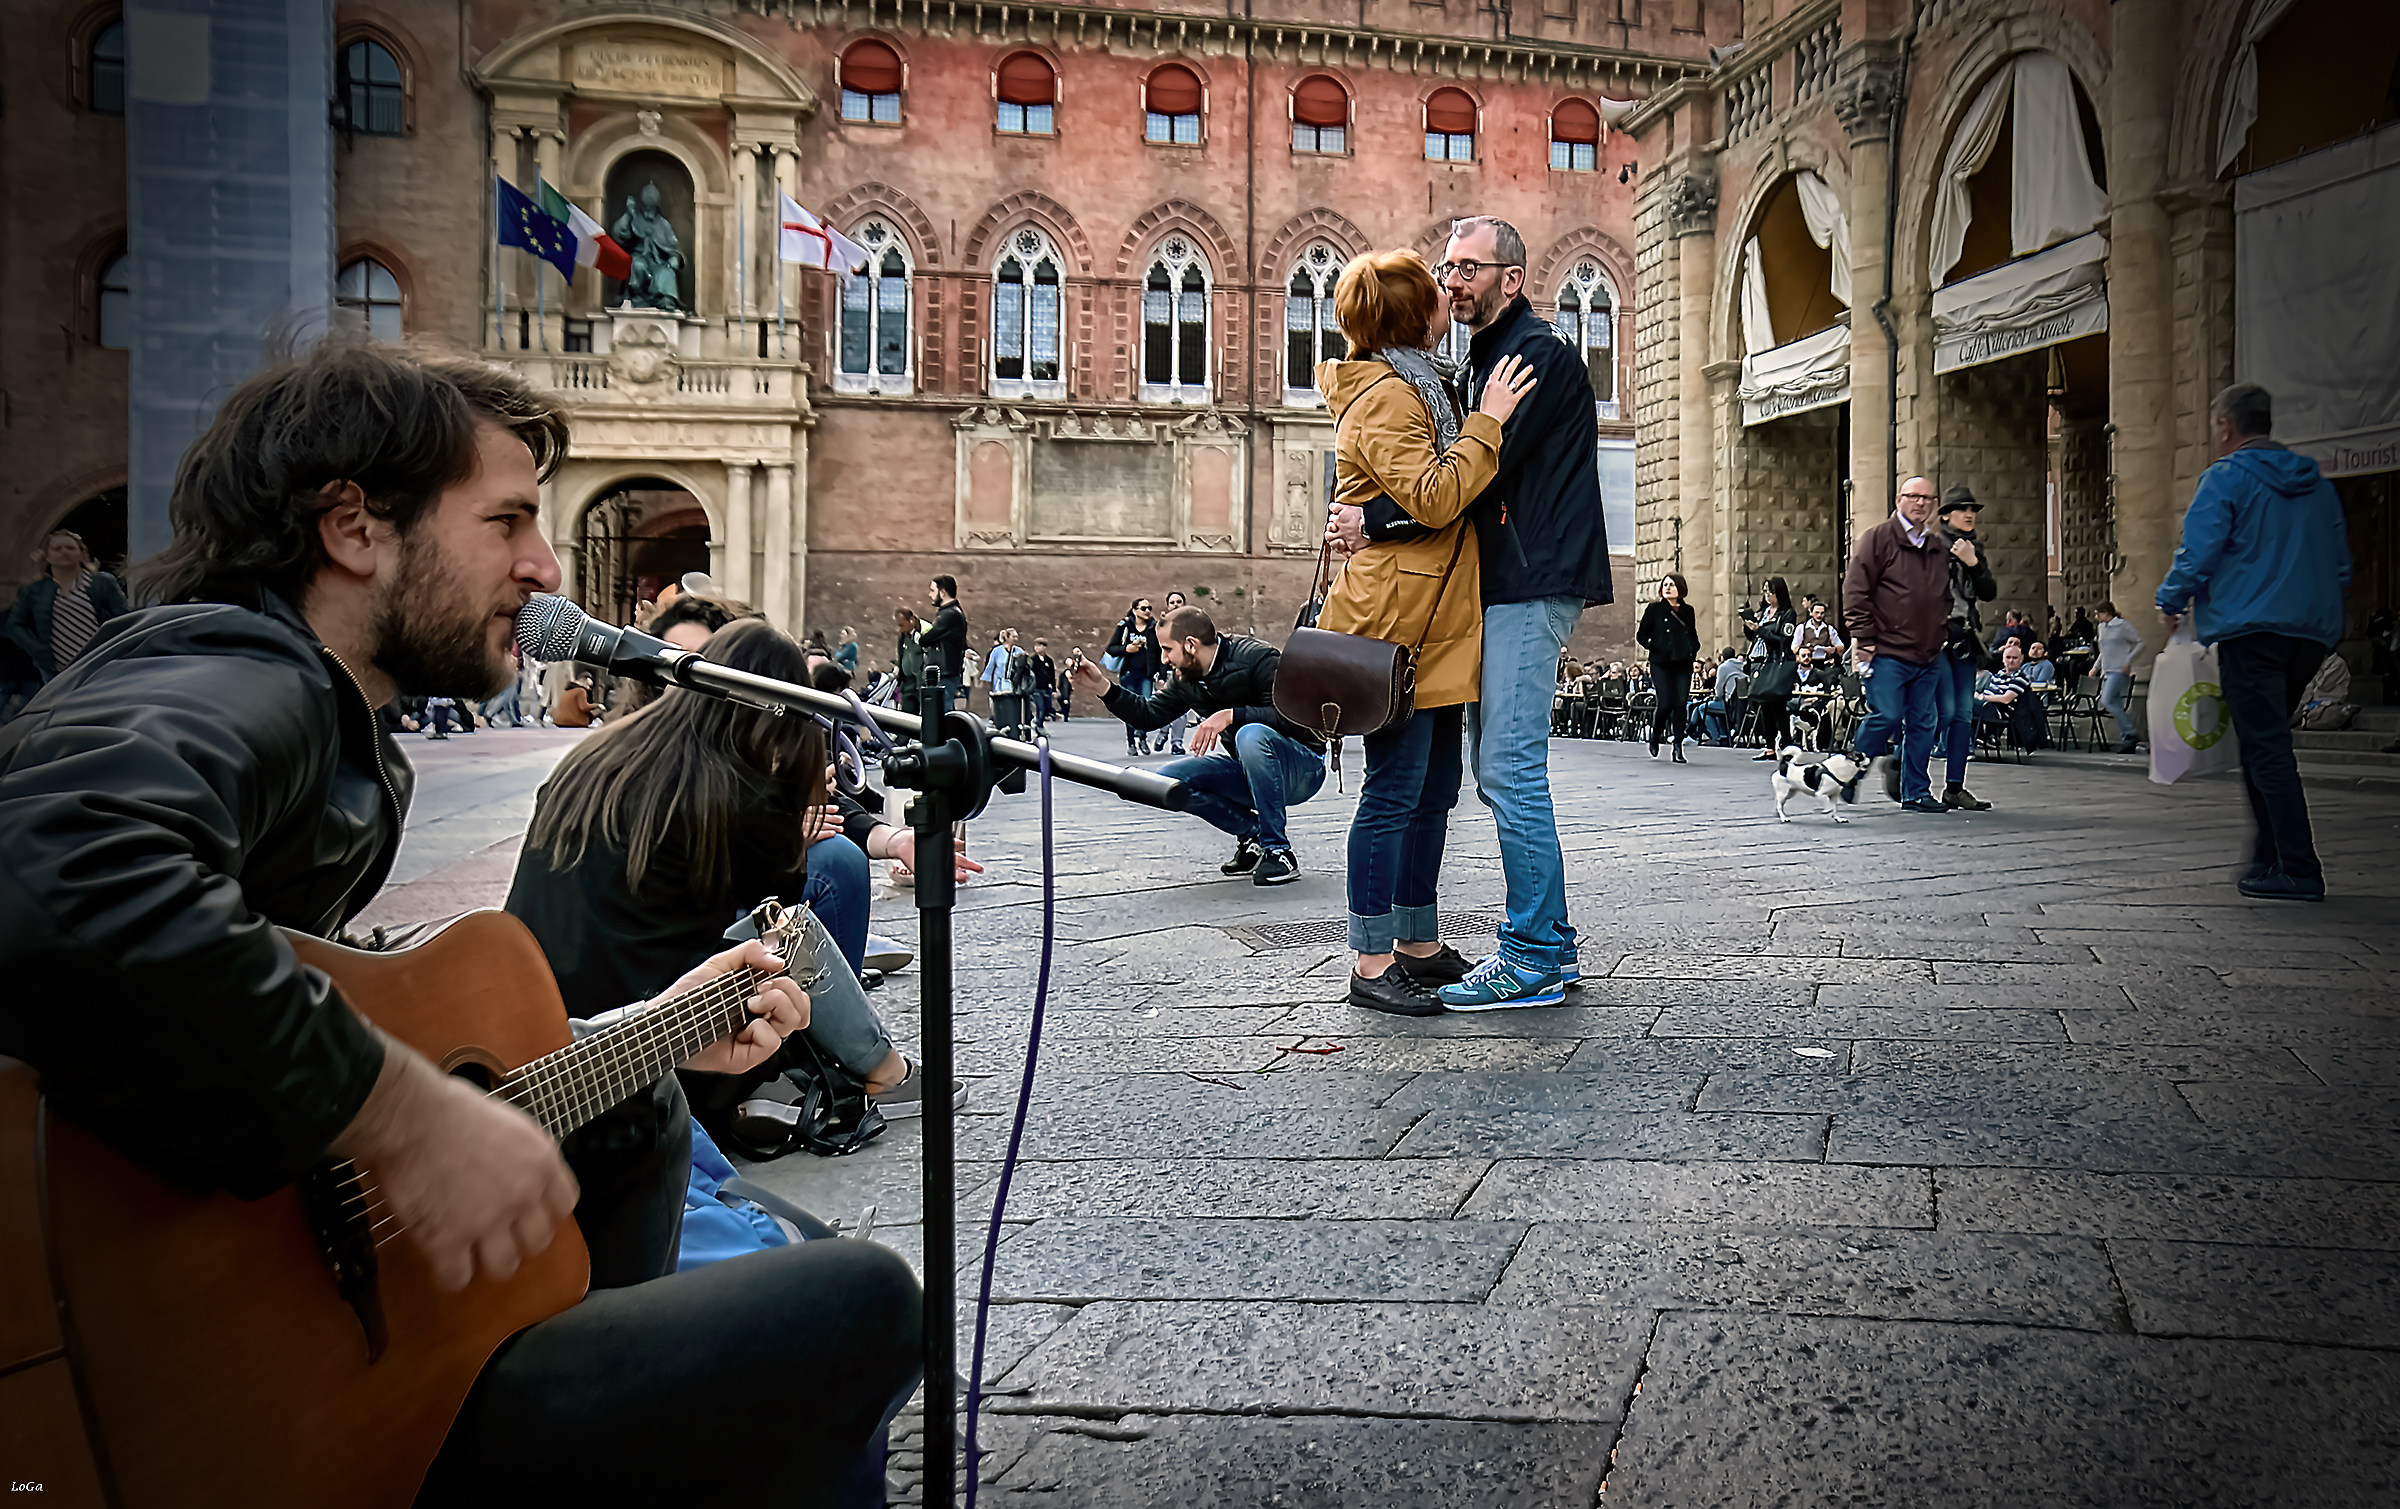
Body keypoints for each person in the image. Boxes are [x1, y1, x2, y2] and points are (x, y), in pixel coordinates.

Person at [0, 340, 920, 1505]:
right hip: (147, 1382)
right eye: (505, 522)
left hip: (247, 1333)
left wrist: (648, 1025)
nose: (545, 566)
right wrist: (404, 1118)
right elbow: (56, 870)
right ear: (355, 528)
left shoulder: (303, 708)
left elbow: (237, 1022)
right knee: (857, 1301)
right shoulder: (247, 672)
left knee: (639, 1116)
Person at [506, 619, 947, 1127]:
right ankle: (880, 1070)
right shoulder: (732, 789)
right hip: (651, 1044)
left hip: (547, 1022)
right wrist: (794, 806)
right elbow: (779, 900)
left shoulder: (606, 752)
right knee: (791, 930)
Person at [1330, 214, 1608, 1010]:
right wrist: (1373, 514)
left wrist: (1370, 519)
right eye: (1444, 269)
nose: (1452, 281)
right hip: (1447, 602)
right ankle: (1428, 950)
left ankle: (1533, 951)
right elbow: (1440, 479)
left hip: (1519, 583)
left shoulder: (1523, 358)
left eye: (1466, 268)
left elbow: (1464, 482)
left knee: (1495, 773)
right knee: (1435, 781)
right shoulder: (1451, 370)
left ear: (1510, 279)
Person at [1316, 246, 1533, 1015]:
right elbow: (1436, 496)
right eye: (1434, 288)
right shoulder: (1386, 396)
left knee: (1435, 790)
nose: (1448, 294)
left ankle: (1415, 941)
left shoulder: (1421, 383)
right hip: (1397, 622)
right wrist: (1488, 423)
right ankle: (1372, 962)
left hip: (1433, 616)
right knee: (1394, 791)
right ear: (1411, 315)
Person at [2156, 382, 2352, 901]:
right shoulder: (2317, 484)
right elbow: (2341, 565)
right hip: (2309, 633)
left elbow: (2199, 550)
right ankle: (2270, 857)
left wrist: (2171, 599)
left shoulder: (2226, 477)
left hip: (2251, 630)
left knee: (2266, 747)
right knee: (2264, 742)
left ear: (2225, 426)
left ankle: (2299, 867)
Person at [1070, 605, 1327, 886]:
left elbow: (1297, 717)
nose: (1164, 659)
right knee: (1167, 782)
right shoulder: (1186, 679)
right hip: (1249, 769)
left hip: (1303, 768)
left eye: (1168, 649)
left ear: (1191, 644)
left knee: (1250, 734)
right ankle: (1251, 835)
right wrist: (1102, 687)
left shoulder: (1257, 658)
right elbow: (1147, 715)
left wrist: (1232, 715)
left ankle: (1278, 851)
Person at [1843, 476, 1955, 814]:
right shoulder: (1878, 539)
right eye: (1913, 496)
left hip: (1927, 653)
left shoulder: (1935, 547)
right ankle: (1850, 772)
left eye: (1927, 498)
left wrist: (1941, 629)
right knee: (1887, 715)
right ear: (1898, 500)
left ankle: (1916, 793)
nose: (1920, 503)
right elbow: (1856, 590)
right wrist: (1864, 638)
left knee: (1923, 724)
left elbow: (1943, 595)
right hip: (1887, 650)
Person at [1927, 485, 1999, 811]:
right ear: (1945, 515)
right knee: (1943, 711)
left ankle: (1954, 787)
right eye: (1962, 509)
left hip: (1965, 636)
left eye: (1972, 510)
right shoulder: (1932, 546)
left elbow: (1988, 591)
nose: (1969, 514)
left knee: (1963, 714)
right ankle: (1903, 764)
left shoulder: (1973, 548)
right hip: (1937, 637)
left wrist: (1972, 562)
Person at [6, 526, 132, 683]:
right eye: (57, 548)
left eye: (70, 548)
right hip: (56, 669)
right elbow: (14, 625)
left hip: (99, 661)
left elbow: (123, 617)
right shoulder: (35, 590)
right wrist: (38, 650)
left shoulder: (102, 582)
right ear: (47, 556)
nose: (64, 552)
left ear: (81, 553)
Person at [1636, 572, 1701, 762]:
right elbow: (1642, 635)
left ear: (1680, 588)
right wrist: (1654, 646)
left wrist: (1693, 649)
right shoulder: (1655, 609)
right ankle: (1656, 733)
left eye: (1672, 585)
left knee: (1680, 703)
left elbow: (1692, 634)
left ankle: (1677, 746)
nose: (1668, 588)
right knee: (1665, 702)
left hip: (1682, 662)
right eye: (1665, 585)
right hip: (1661, 662)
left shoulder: (1688, 611)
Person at [1739, 577, 1799, 759]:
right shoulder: (1763, 612)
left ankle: (1786, 744)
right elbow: (1754, 637)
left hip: (1776, 662)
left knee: (1777, 704)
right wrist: (1749, 627)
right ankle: (1770, 747)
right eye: (1765, 591)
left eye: (1770, 592)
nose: (1767, 595)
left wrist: (1760, 630)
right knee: (1764, 704)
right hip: (1759, 661)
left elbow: (1783, 641)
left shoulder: (1787, 614)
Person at [1103, 598, 1161, 757]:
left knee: (1146, 706)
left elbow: (1159, 652)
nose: (1147, 611)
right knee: (1129, 707)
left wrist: (1160, 673)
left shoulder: (1153, 628)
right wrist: (1126, 649)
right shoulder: (1125, 626)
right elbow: (1111, 648)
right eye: (1143, 608)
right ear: (1135, 610)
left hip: (1146, 674)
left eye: (1149, 608)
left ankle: (1142, 738)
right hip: (1128, 673)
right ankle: (1131, 742)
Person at [1974, 638, 2048, 752]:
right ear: (2003, 659)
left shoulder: (2020, 678)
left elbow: (2006, 699)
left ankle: (1976, 740)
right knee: (1963, 705)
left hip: (1999, 711)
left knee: (1964, 705)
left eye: (2014, 658)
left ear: (2021, 659)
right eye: (2008, 657)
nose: (2011, 661)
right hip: (1986, 705)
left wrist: (1981, 697)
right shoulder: (1998, 674)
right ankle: (1978, 738)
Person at [2094, 601, 2145, 753]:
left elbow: (2140, 642)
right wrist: (2096, 667)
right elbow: (2104, 650)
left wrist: (2128, 660)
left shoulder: (2123, 626)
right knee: (2116, 703)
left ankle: (2130, 732)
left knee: (2107, 699)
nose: (2096, 617)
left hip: (2119, 669)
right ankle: (2127, 739)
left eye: (2098, 614)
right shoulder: (2101, 628)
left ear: (2106, 613)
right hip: (2107, 669)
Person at [917, 575, 967, 723]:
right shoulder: (950, 613)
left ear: (943, 592)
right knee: (939, 712)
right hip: (943, 671)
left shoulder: (950, 614)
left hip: (945, 672)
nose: (929, 594)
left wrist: (921, 635)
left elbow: (926, 639)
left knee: (943, 714)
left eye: (933, 590)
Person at [1792, 598, 1846, 673]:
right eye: (1817, 612)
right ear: (1811, 613)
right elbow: (1794, 648)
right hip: (1808, 663)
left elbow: (1841, 647)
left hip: (1824, 663)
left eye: (1822, 613)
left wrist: (1832, 649)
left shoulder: (1829, 629)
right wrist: (1806, 648)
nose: (1819, 615)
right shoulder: (1802, 628)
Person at [1026, 637, 1058, 731]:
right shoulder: (1032, 660)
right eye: (1036, 646)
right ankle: (1039, 725)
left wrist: (1054, 689)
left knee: (1046, 708)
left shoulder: (1049, 660)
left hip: (1046, 688)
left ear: (1044, 647)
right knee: (1040, 707)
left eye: (1039, 646)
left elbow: (1052, 675)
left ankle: (1039, 723)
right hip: (1036, 688)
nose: (1037, 648)